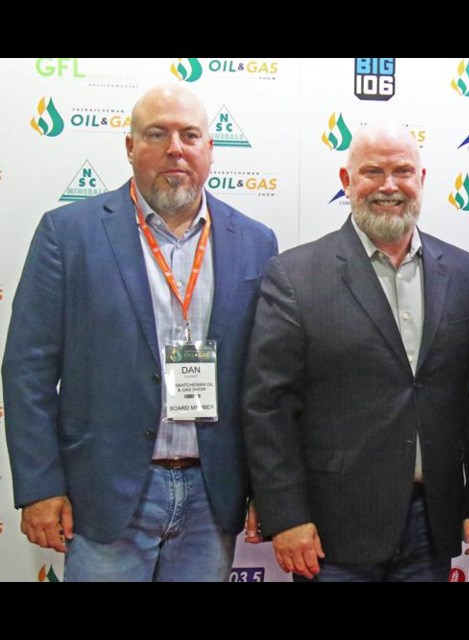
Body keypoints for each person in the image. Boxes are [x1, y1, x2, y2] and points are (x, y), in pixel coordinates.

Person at [1, 84, 278, 581]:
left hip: (211, 495)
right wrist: (41, 487)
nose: (176, 147)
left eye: (190, 135)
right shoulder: (68, 234)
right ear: (130, 147)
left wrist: (266, 488)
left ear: (210, 150)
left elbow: (265, 382)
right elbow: (28, 369)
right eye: (158, 133)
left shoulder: (255, 242)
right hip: (107, 494)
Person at [242, 123, 469, 582]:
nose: (388, 185)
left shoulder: (465, 272)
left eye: (403, 171)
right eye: (372, 171)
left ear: (422, 178)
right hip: (330, 529)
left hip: (432, 523)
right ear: (346, 180)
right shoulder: (296, 275)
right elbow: (268, 406)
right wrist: (286, 514)